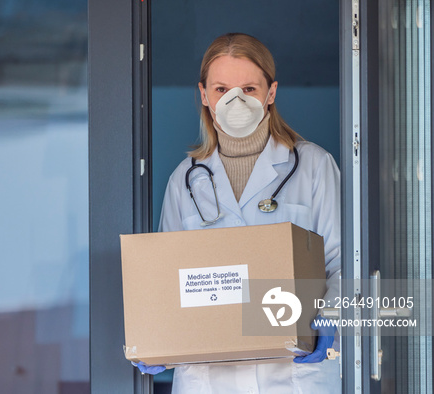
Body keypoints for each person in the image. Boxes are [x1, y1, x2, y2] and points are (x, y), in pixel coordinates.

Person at [135, 33, 341, 393]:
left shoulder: (314, 166)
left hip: (293, 375)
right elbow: (167, 279)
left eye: (248, 89)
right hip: (209, 379)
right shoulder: (184, 180)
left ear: (270, 93)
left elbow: (342, 262)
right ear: (204, 95)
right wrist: (156, 334)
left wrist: (332, 318)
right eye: (221, 90)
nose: (235, 102)